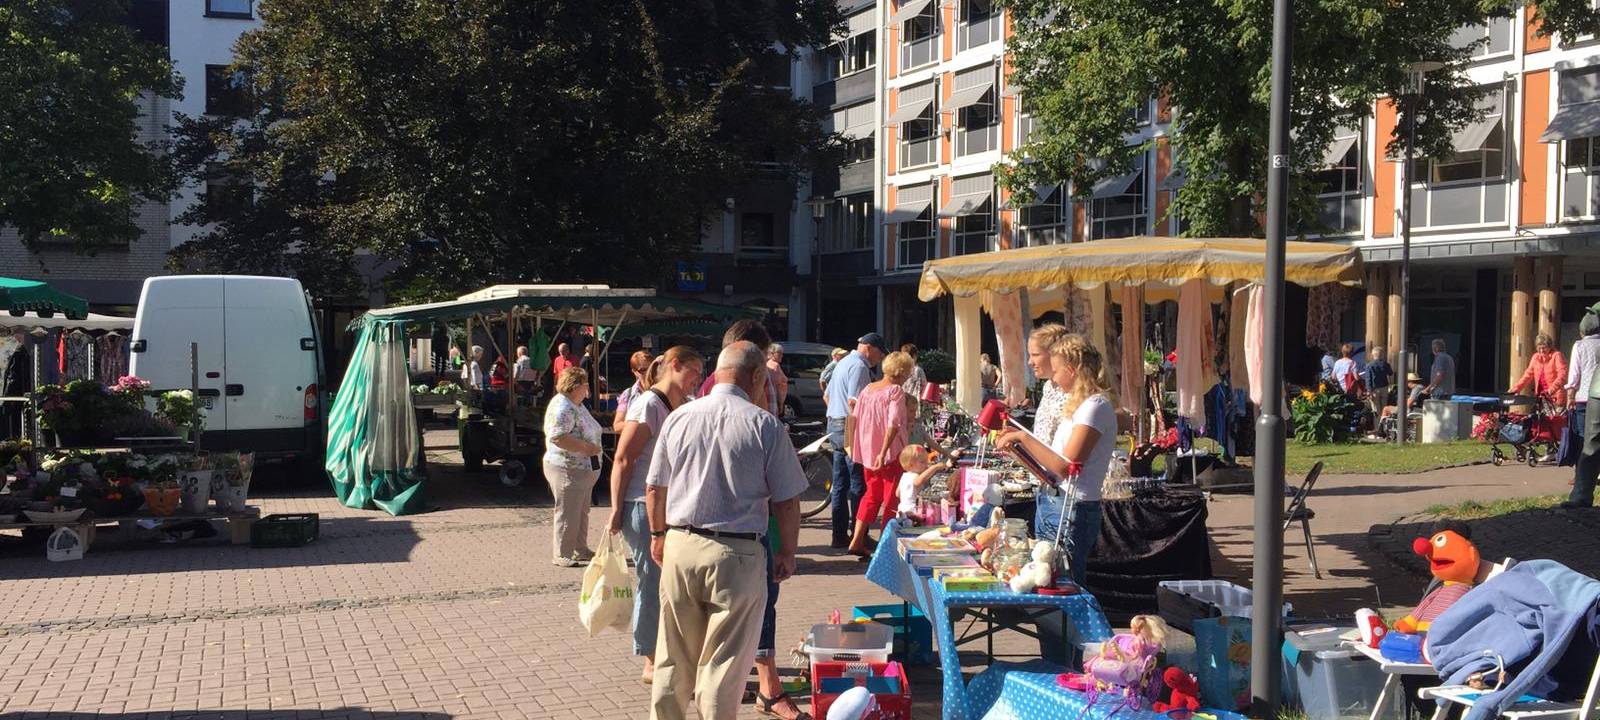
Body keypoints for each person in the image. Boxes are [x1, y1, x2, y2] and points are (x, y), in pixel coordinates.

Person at [645, 342, 807, 720]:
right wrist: (787, 552)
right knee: (723, 669)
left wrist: (657, 535)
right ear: (755, 376)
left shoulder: (679, 417)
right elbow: (786, 501)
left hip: (682, 545)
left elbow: (654, 487)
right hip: (737, 556)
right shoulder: (763, 425)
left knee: (672, 659)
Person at [608, 346, 703, 686]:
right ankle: (650, 657)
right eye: (694, 370)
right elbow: (622, 459)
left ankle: (669, 650)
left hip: (665, 505)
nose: (698, 379)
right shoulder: (649, 403)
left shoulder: (678, 405)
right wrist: (616, 510)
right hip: (640, 504)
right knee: (652, 582)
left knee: (667, 583)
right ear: (674, 366)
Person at [995, 334, 1117, 586]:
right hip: (1055, 500)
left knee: (1065, 583)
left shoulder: (1095, 406)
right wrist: (1021, 450)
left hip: (1071, 506)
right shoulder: (1081, 405)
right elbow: (1055, 464)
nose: (1054, 377)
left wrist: (1024, 438)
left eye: (1057, 371)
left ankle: (1074, 626)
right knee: (1047, 580)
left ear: (1071, 370)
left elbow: (1067, 465)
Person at [845, 351, 915, 558]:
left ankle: (857, 539)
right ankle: (887, 548)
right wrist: (883, 452)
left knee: (871, 496)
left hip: (867, 453)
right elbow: (893, 424)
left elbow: (853, 418)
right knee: (891, 500)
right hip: (890, 454)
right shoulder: (895, 391)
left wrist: (849, 446)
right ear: (902, 372)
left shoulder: (868, 389)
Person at [824, 333, 887, 549]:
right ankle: (858, 535)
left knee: (840, 483)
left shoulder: (842, 363)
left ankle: (839, 534)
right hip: (849, 424)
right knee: (858, 482)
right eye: (880, 353)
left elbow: (827, 396)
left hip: (834, 422)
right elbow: (855, 403)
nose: (879, 359)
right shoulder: (859, 367)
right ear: (869, 348)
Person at [542, 367, 603, 567]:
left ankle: (580, 548)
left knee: (581, 510)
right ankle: (562, 553)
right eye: (585, 384)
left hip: (583, 469)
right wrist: (586, 448)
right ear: (575, 386)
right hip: (567, 467)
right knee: (568, 511)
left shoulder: (576, 404)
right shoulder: (563, 406)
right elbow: (558, 437)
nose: (588, 388)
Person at [1028, 324, 1069, 444]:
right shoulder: (1048, 387)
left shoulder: (1073, 392)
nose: (1030, 362)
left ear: (1055, 354)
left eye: (1035, 355)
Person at [896, 444, 951, 523]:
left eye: (926, 461)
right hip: (911, 511)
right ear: (911, 464)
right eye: (922, 462)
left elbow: (897, 494)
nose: (926, 464)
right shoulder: (914, 476)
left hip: (901, 509)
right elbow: (918, 482)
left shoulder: (904, 476)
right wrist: (934, 467)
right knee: (912, 530)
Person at [1510, 333, 1569, 406]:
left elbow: (1563, 375)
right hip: (1540, 398)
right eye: (1539, 348)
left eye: (1544, 348)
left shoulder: (1557, 356)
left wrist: (1552, 390)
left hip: (1555, 398)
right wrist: (1516, 388)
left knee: (1555, 417)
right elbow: (1527, 375)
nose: (1541, 350)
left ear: (1550, 347)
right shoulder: (1535, 357)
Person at [613, 349, 654, 433]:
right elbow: (617, 425)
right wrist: (643, 425)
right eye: (643, 370)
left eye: (651, 368)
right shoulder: (627, 394)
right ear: (634, 371)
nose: (648, 373)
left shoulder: (664, 390)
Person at [1362, 346, 1394, 421]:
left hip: (1374, 389)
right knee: (1384, 408)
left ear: (1373, 355)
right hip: (1384, 387)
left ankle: (1377, 427)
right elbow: (1390, 373)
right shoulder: (1385, 364)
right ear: (1382, 355)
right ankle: (1384, 425)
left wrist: (1369, 391)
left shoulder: (1369, 365)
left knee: (1376, 409)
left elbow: (1368, 379)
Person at [766, 343, 789, 415]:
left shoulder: (768, 363)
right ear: (772, 353)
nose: (782, 355)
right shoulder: (775, 366)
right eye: (779, 353)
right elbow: (777, 386)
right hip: (774, 399)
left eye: (782, 353)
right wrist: (780, 404)